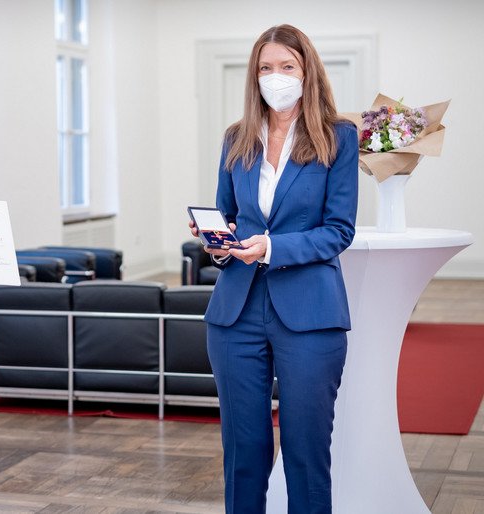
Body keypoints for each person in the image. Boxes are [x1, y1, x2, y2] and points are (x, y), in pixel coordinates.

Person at [189, 24, 358, 514]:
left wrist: (270, 247)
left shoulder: (338, 137)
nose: (275, 76)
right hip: (235, 313)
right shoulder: (235, 139)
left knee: (306, 452)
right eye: (266, 67)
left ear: (307, 71)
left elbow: (338, 230)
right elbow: (228, 216)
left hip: (309, 312)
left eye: (287, 66)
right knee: (243, 452)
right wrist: (218, 242)